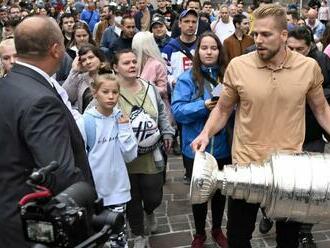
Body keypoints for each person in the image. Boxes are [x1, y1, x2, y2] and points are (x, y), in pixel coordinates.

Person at [191, 4, 330, 248]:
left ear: (283, 35)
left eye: (266, 34)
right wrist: (205, 133)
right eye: (255, 34)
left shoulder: (308, 68)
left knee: (288, 241)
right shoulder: (238, 66)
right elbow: (223, 109)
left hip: (290, 172)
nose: (258, 40)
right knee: (238, 237)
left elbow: (321, 109)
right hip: (246, 167)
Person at [0, 16, 94, 248]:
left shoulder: (8, 84)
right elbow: (59, 172)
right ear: (55, 49)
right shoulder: (41, 100)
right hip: (37, 226)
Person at [172, 32, 230, 248]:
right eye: (204, 48)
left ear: (219, 51)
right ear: (198, 52)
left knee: (219, 192)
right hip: (195, 148)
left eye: (213, 48)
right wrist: (203, 105)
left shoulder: (227, 76)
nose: (208, 52)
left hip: (224, 147)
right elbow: (177, 111)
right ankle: (199, 233)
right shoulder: (187, 78)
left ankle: (216, 229)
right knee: (199, 193)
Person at [112, 49, 174, 248]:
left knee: (153, 195)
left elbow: (161, 112)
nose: (132, 65)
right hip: (125, 158)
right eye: (126, 63)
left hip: (152, 154)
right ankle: (138, 234)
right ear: (115, 67)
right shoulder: (111, 90)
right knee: (131, 199)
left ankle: (150, 210)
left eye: (133, 61)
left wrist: (167, 132)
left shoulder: (149, 87)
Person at [77, 71, 138, 248]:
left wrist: (125, 128)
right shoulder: (86, 122)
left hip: (118, 189)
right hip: (96, 193)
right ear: (95, 92)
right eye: (105, 92)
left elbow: (130, 155)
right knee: (98, 239)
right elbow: (80, 157)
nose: (111, 97)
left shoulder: (121, 118)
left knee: (119, 238)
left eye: (115, 92)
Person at [287, 26, 330, 248]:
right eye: (290, 48)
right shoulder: (279, 59)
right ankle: (269, 214)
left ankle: (305, 231)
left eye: (300, 49)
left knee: (313, 187)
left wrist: (314, 93)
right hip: (283, 134)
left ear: (310, 47)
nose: (294, 53)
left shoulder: (321, 60)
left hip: (312, 132)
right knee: (285, 185)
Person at [63, 44, 106, 113]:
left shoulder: (110, 76)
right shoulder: (80, 78)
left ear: (99, 58)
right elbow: (67, 96)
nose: (88, 62)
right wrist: (74, 71)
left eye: (91, 57)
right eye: (83, 60)